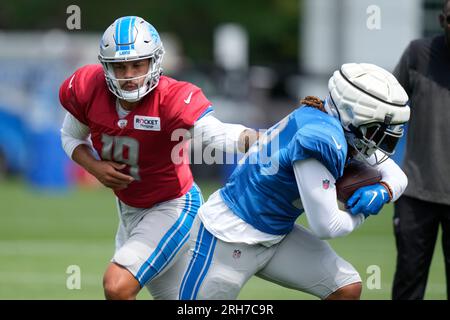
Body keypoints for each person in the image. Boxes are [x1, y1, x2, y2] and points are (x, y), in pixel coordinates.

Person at [58, 16, 257, 300]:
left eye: (137, 64)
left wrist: (268, 139)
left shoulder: (171, 98)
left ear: (154, 62)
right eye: (120, 66)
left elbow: (219, 135)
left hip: (172, 206)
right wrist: (94, 166)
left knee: (117, 285)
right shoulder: (89, 88)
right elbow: (70, 136)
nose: (129, 75)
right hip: (129, 211)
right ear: (106, 66)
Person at [178, 63, 410, 300]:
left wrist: (383, 190)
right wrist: (362, 212)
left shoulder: (334, 121)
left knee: (345, 288)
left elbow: (398, 177)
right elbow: (327, 226)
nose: (379, 141)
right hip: (229, 237)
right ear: (355, 115)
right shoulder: (322, 138)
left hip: (277, 234)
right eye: (376, 130)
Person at [391, 0, 450, 300]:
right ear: (442, 20)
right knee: (408, 285)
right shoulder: (418, 55)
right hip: (416, 193)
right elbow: (386, 108)